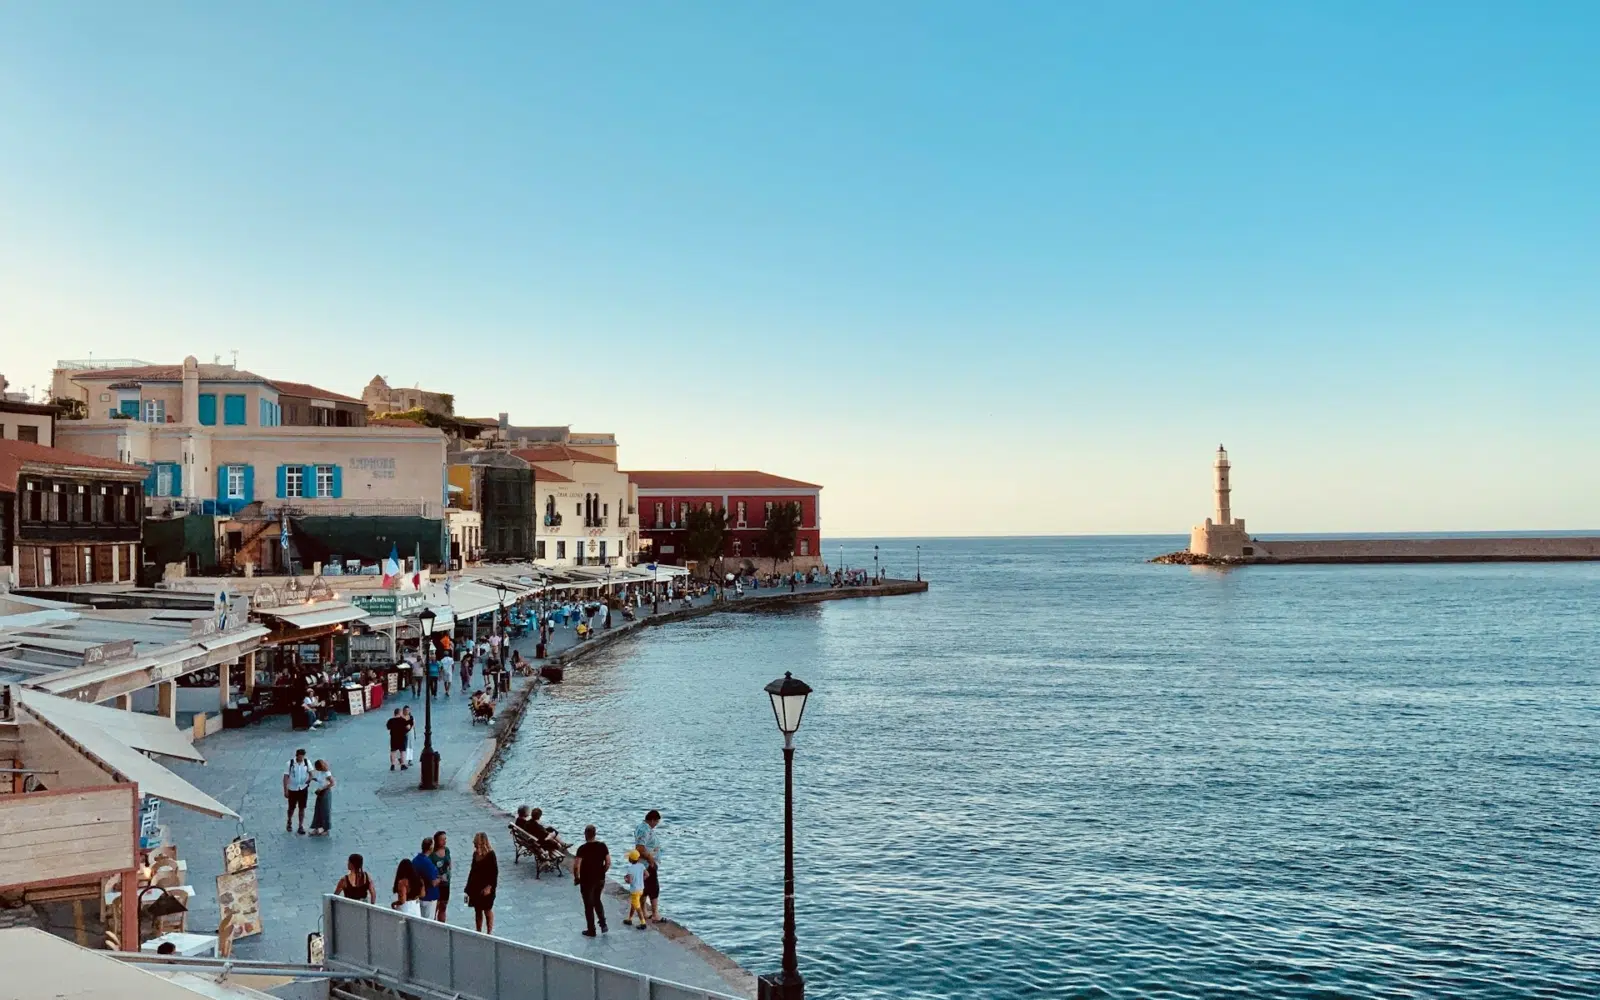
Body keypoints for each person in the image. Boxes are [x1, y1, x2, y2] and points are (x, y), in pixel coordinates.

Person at [572, 824, 610, 937]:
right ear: (595, 834)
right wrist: (602, 872)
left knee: (588, 905)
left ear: (585, 835)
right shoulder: (602, 846)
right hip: (600, 879)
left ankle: (591, 930)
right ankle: (603, 923)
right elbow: (608, 862)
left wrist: (577, 878)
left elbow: (576, 866)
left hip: (586, 880)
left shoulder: (582, 849)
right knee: (597, 899)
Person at [465, 831, 498, 934]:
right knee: (477, 910)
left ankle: (489, 932)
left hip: (487, 887)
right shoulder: (475, 854)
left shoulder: (491, 855)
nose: (475, 845)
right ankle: (478, 931)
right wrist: (467, 888)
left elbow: (494, 873)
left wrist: (490, 887)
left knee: (487, 910)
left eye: (476, 843)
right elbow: (472, 871)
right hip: (476, 886)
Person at [634, 809, 663, 922]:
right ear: (652, 820)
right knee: (654, 888)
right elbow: (640, 848)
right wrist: (651, 860)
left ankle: (644, 911)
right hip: (647, 864)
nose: (656, 825)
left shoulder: (642, 827)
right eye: (656, 822)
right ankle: (655, 914)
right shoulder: (644, 829)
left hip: (644, 863)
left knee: (645, 888)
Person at [283, 749, 312, 834]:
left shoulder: (307, 762)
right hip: (293, 789)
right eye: (300, 757)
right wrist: (285, 790)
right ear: (297, 756)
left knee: (302, 808)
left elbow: (311, 773)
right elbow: (285, 777)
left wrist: (309, 779)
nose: (301, 758)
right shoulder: (290, 763)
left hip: (303, 788)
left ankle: (300, 826)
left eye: (303, 756)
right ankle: (289, 821)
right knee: (291, 808)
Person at [412, 837, 442, 917]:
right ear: (430, 848)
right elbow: (433, 883)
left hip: (419, 896)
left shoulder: (415, 860)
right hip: (429, 898)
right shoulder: (428, 863)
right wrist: (440, 879)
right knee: (428, 920)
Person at [621, 850, 648, 930]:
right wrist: (641, 880)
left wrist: (625, 879)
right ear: (638, 858)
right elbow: (647, 874)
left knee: (637, 907)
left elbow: (630, 881)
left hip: (634, 891)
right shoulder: (641, 865)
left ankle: (643, 923)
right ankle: (629, 919)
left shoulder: (630, 869)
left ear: (630, 860)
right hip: (641, 889)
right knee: (634, 904)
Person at [308, 759, 335, 835]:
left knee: (325, 811)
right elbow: (320, 780)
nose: (316, 769)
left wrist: (322, 788)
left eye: (317, 767)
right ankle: (316, 828)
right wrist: (313, 779)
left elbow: (332, 783)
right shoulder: (321, 772)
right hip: (320, 792)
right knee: (318, 810)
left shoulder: (327, 773)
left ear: (320, 767)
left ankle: (326, 829)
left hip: (325, 793)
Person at [430, 831, 453, 923]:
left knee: (443, 906)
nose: (444, 841)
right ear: (436, 841)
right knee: (435, 907)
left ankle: (442, 924)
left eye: (445, 839)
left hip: (446, 884)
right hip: (436, 885)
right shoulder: (432, 855)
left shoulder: (447, 850)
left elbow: (449, 862)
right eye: (442, 840)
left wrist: (449, 869)